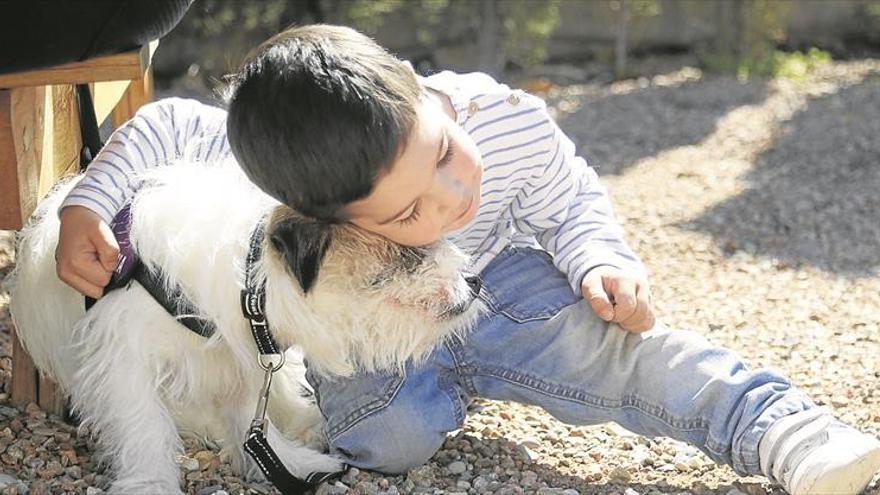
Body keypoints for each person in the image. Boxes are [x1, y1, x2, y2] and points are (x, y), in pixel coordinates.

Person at [54, 24, 880, 494]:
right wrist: (92, 202)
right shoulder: (295, 170)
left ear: (419, 91)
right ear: (313, 211)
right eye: (407, 212)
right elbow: (169, 126)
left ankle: (779, 428)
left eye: (446, 153)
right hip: (373, 339)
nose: (449, 198)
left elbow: (572, 198)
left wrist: (600, 258)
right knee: (393, 439)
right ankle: (452, 393)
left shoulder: (508, 119)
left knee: (610, 354)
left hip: (503, 289)